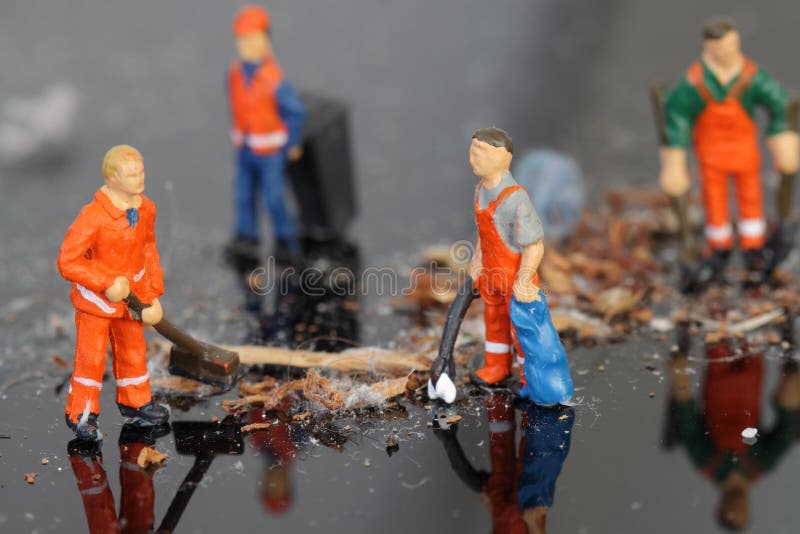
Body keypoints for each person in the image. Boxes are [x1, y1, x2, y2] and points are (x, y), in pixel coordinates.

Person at [660, 18, 799, 277]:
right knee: (714, 201)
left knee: (751, 198)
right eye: (721, 50)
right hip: (711, 156)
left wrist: (783, 135)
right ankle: (718, 247)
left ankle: (753, 247)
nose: (728, 54)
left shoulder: (750, 75)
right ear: (708, 48)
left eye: (732, 47)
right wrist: (674, 161)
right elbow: (677, 117)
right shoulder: (695, 82)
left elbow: (780, 102)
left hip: (745, 153)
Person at [57, 145, 169, 441]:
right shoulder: (93, 216)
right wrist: (105, 281)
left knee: (133, 351)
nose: (140, 178)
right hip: (96, 301)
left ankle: (136, 402)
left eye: (142, 171)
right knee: (91, 359)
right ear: (112, 178)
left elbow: (148, 250)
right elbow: (68, 261)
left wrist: (153, 294)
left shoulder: (146, 209)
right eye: (132, 174)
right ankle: (81, 413)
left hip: (132, 299)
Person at [467, 127, 573, 405]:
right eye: (473, 149)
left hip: (514, 278)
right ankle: (496, 367)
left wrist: (525, 279)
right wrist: (477, 261)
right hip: (491, 275)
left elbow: (534, 244)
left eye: (482, 152)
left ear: (504, 158)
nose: (474, 156)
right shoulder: (480, 190)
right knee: (494, 323)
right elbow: (483, 232)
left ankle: (530, 380)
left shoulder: (516, 199)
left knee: (522, 330)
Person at [226, 4, 306, 263]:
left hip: (271, 151)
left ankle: (285, 239)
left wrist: (292, 142)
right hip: (245, 147)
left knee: (273, 197)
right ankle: (247, 236)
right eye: (241, 40)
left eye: (251, 40)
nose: (245, 46)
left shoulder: (274, 79)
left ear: (265, 40)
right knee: (243, 195)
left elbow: (296, 112)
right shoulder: (236, 74)